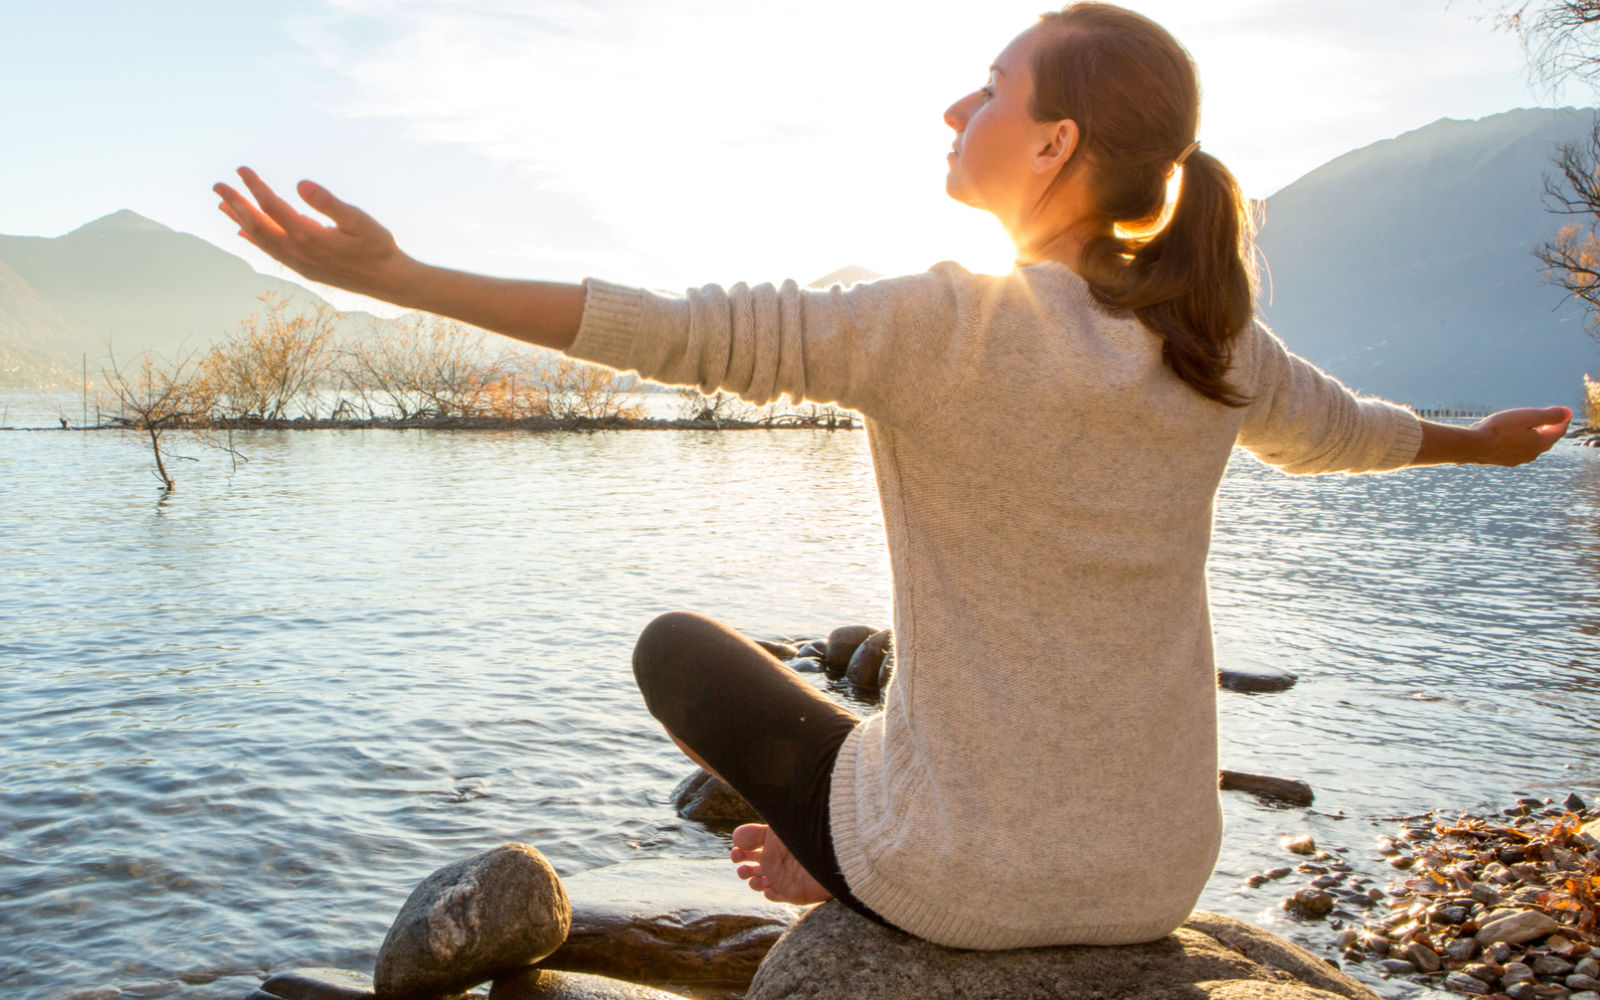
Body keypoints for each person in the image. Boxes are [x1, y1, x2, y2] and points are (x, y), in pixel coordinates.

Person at [214, 2, 1571, 951]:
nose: (953, 103)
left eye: (991, 86)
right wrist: (1483, 443)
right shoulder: (1211, 343)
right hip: (1161, 872)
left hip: (962, 881)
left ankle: (849, 866)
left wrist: (400, 280)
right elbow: (1349, 430)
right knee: (891, 730)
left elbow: (679, 327)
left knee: (680, 648)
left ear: (1053, 145)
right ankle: (849, 844)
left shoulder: (939, 323)